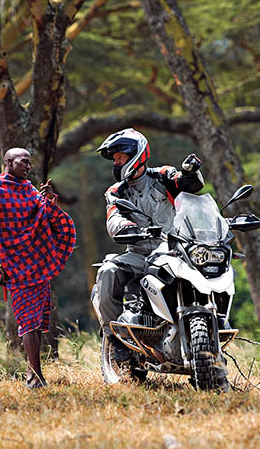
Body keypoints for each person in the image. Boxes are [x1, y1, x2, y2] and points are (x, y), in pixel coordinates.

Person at [93, 128, 203, 361]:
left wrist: (190, 173)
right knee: (107, 271)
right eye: (115, 159)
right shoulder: (116, 191)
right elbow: (114, 217)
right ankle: (117, 342)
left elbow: (187, 185)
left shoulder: (163, 176)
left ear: (136, 154)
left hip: (175, 251)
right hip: (140, 253)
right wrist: (126, 228)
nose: (116, 162)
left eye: (120, 157)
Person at [0, 148, 76, 389]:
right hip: (13, 267)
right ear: (8, 162)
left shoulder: (30, 190)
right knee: (28, 321)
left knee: (37, 321)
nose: (28, 167)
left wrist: (49, 200)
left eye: (30, 163)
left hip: (36, 264)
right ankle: (34, 376)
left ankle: (34, 372)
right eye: (24, 162)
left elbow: (42, 219)